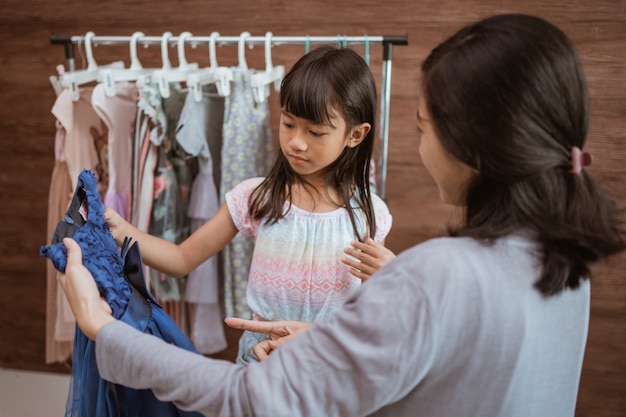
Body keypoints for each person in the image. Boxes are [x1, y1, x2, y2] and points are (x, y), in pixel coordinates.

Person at [57, 13, 626, 417]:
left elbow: (250, 401)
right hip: (272, 357)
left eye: (424, 128)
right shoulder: (562, 265)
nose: (296, 142)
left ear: (474, 150)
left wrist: (102, 328)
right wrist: (320, 337)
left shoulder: (428, 268)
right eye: (288, 125)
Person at [104, 45, 393, 363]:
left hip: (328, 359)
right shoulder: (256, 197)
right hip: (260, 358)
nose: (296, 141)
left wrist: (390, 278)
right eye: (288, 123)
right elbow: (181, 258)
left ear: (355, 135)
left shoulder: (370, 215)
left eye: (315, 131)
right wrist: (120, 229)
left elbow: (373, 316)